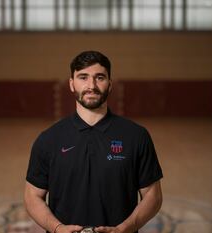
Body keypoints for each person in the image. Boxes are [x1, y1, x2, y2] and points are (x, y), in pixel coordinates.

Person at [24, 51, 163, 233]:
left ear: (110, 84)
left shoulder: (136, 136)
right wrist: (57, 228)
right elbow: (32, 196)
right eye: (83, 77)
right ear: (72, 84)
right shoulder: (49, 139)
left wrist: (126, 228)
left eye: (99, 77)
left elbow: (153, 196)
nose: (91, 85)